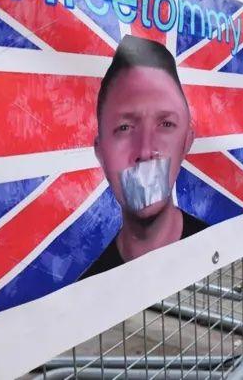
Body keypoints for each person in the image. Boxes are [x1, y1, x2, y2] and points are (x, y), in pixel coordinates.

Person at [81, 35, 207, 278]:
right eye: (125, 128)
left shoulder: (218, 248)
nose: (146, 151)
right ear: (100, 151)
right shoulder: (88, 286)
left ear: (187, 142)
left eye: (166, 124)